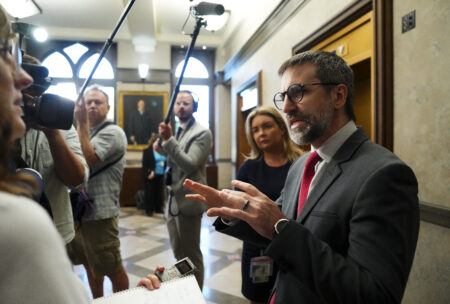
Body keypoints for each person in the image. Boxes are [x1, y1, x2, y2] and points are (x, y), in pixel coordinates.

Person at [184, 51, 420, 303]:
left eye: (298, 93)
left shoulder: (384, 175)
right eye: (283, 96)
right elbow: (275, 227)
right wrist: (236, 213)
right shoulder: (302, 165)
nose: (286, 107)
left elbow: (374, 295)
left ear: (338, 95)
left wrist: (279, 227)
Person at [18, 54, 88, 245]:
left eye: (35, 90)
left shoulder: (59, 125)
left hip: (55, 236)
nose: (28, 98)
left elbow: (77, 181)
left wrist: (52, 133)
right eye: (22, 90)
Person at [237, 106, 302, 303]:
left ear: (282, 127)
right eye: (255, 130)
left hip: (294, 246)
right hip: (257, 249)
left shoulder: (300, 163)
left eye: (266, 126)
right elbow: (240, 211)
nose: (261, 133)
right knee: (257, 298)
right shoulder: (248, 168)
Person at [71, 85, 129, 298]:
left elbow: (87, 159)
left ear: (108, 107)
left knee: (112, 267)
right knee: (89, 264)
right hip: (81, 212)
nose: (92, 106)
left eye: (98, 102)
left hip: (102, 213)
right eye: (88, 102)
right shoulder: (84, 130)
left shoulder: (113, 132)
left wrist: (81, 123)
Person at [153, 90, 212, 289]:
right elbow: (174, 160)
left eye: (186, 103)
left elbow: (190, 164)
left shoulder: (202, 132)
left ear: (194, 107)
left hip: (188, 200)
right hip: (172, 199)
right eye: (178, 103)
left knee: (191, 254)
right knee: (179, 253)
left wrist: (169, 141)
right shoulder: (178, 130)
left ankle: (196, 296)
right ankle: (186, 291)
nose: (181, 107)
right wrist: (162, 147)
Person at [142, 133, 166, 216]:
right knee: (150, 193)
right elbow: (145, 165)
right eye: (158, 142)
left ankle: (158, 208)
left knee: (159, 192)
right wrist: (148, 173)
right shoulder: (147, 151)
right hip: (151, 175)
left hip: (161, 174)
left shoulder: (162, 151)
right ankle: (149, 209)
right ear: (153, 142)